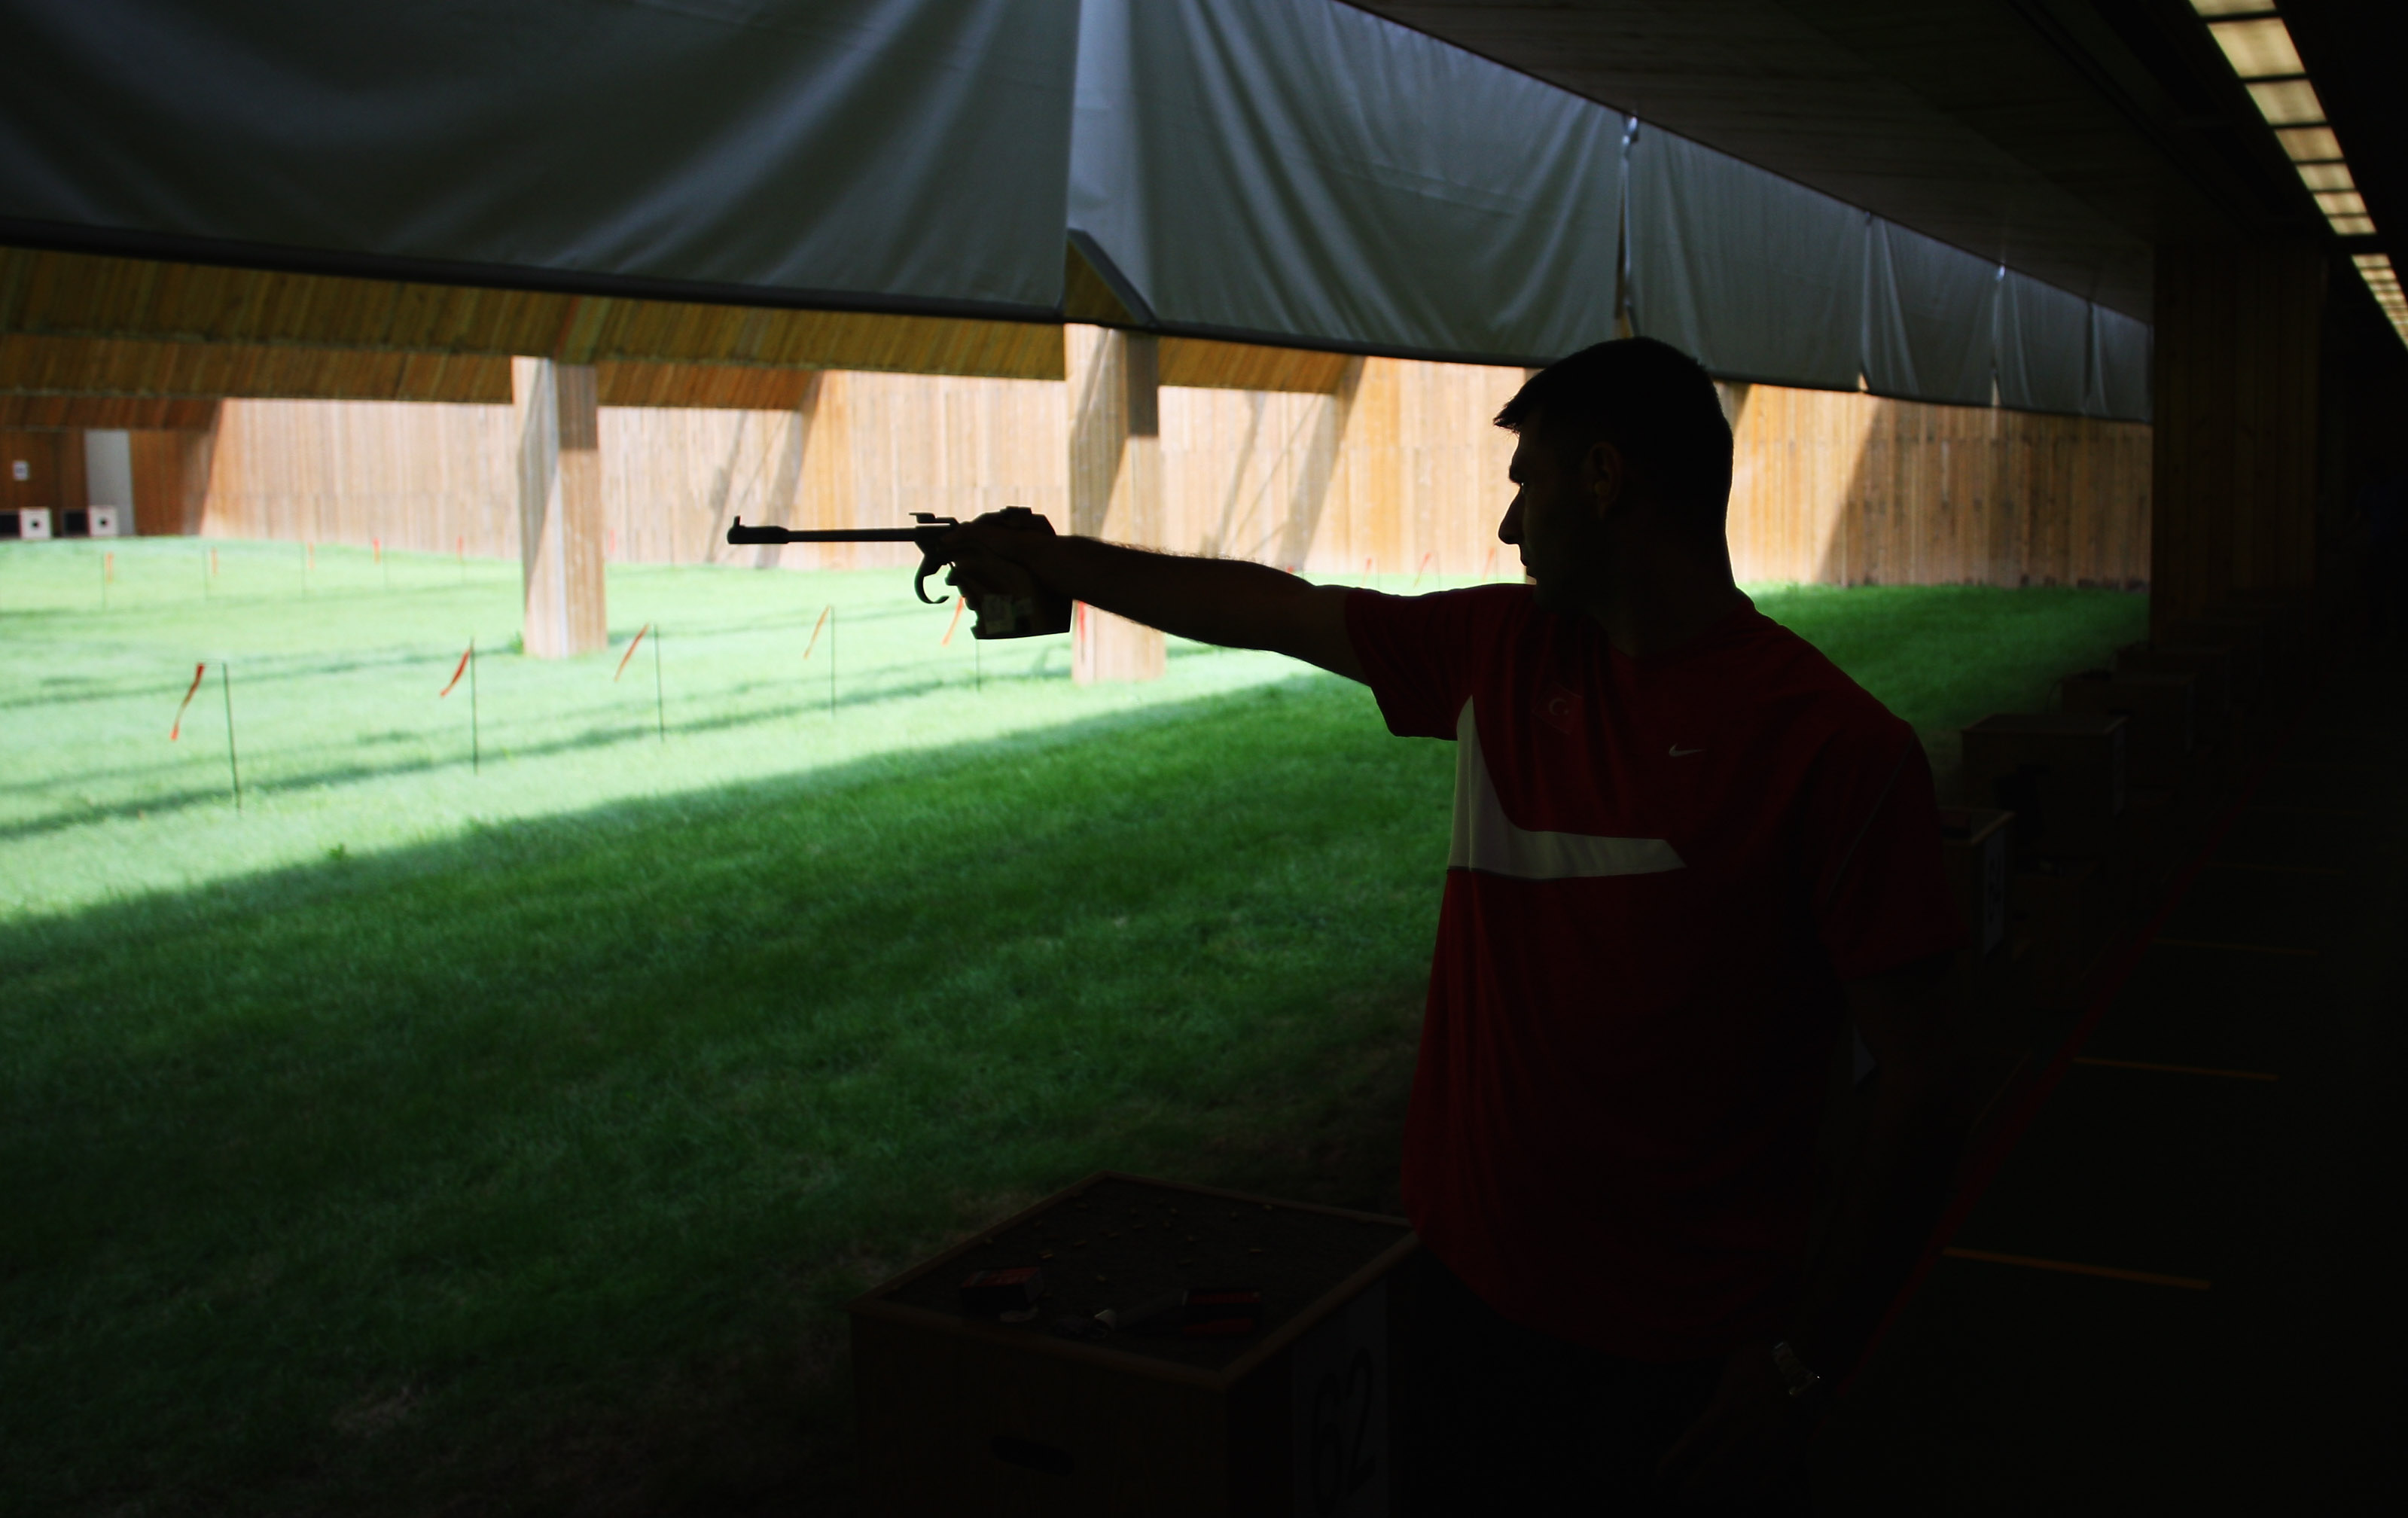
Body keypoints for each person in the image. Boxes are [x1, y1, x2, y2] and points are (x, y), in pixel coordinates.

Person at [943, 337, 1973, 1513]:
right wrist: (1052, 560)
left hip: (1684, 1355)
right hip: (1466, 1293)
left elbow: (1928, 1089)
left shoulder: (1836, 749)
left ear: (1602, 479)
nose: (1507, 526)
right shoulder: (1499, 654)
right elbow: (1275, 612)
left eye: (1524, 483)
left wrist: (1804, 1362)